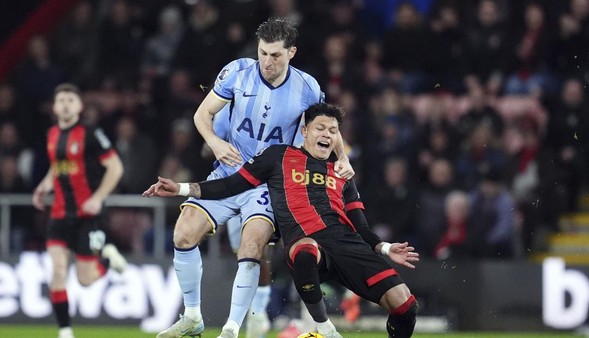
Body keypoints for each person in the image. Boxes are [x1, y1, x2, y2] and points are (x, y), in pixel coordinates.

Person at [144, 103, 419, 338]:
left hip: (347, 245)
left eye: (333, 131)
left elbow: (360, 225)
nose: (327, 135)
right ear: (304, 131)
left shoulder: (341, 172)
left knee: (406, 307)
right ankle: (324, 329)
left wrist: (384, 248)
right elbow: (230, 185)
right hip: (307, 243)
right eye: (320, 128)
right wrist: (180, 188)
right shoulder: (279, 157)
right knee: (306, 250)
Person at [153, 17, 354, 338]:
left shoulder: (307, 87)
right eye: (263, 53)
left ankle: (232, 329)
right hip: (229, 171)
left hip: (269, 182)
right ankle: (192, 317)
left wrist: (342, 158)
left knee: (251, 247)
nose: (267, 62)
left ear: (292, 53)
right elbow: (202, 114)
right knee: (183, 234)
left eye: (275, 55)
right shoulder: (237, 72)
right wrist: (216, 142)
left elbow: (328, 126)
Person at [32, 83, 127, 338]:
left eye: (70, 100)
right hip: (60, 215)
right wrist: (43, 186)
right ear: (54, 106)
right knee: (59, 271)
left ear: (80, 106)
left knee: (85, 280)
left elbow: (116, 167)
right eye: (60, 100)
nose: (65, 104)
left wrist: (98, 198)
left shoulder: (90, 132)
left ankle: (106, 258)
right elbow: (57, 167)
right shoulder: (52, 133)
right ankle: (65, 331)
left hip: (89, 215)